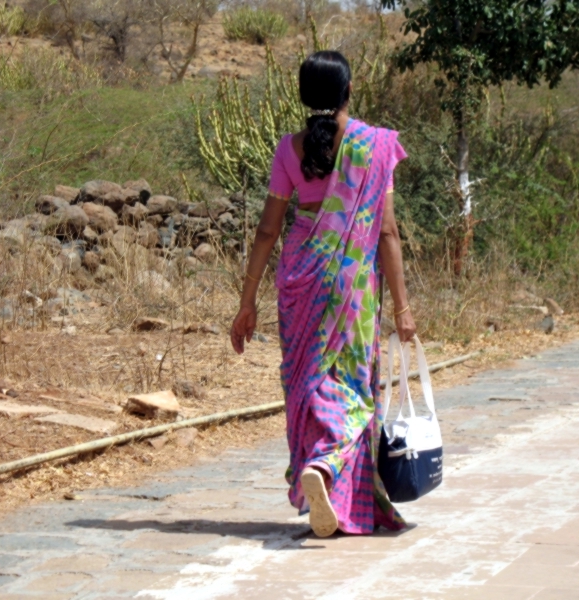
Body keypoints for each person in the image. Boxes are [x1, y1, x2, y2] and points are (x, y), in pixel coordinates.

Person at [230, 50, 416, 538]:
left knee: (309, 385)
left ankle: (323, 488)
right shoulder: (375, 147)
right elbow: (388, 233)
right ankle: (328, 466)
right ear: (348, 91)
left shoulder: (287, 150)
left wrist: (246, 302)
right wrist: (403, 306)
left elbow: (268, 230)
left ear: (302, 94)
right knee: (354, 388)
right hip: (353, 283)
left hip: (300, 278)